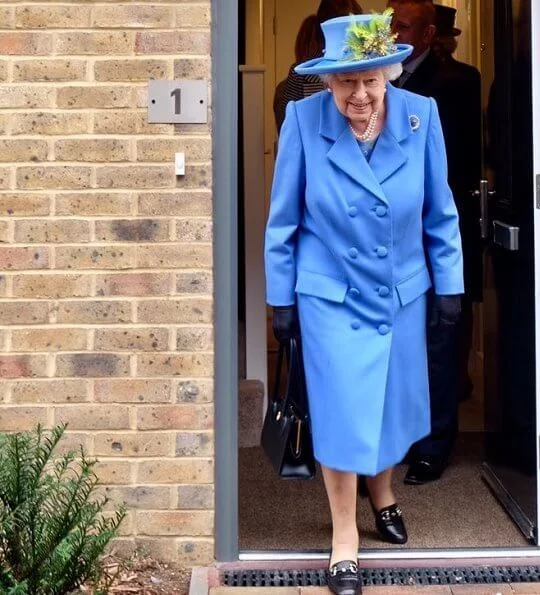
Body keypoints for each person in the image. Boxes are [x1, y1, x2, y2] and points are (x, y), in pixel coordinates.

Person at [265, 11, 463, 595]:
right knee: (343, 409)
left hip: (399, 290)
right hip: (330, 292)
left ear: (389, 73)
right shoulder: (304, 121)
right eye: (346, 82)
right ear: (327, 82)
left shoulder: (419, 116)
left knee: (382, 405)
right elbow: (284, 222)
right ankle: (344, 538)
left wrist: (448, 287)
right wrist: (281, 300)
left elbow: (440, 210)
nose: (359, 94)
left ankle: (384, 495)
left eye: (370, 79)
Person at [388, 0, 481, 486]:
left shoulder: (457, 83)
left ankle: (434, 446)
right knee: (405, 344)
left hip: (437, 227)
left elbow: (460, 167)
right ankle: (403, 437)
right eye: (390, 25)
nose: (393, 33)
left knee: (442, 343)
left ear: (426, 34)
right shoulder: (379, 81)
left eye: (401, 26)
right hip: (394, 239)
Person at [273, 0, 363, 132]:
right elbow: (289, 130)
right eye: (340, 29)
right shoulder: (301, 73)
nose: (348, 36)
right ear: (324, 31)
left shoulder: (369, 68)